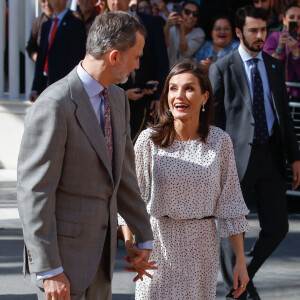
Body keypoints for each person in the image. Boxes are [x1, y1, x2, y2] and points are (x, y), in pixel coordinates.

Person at [17, 11, 155, 300]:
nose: (139, 64)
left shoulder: (117, 99)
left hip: (102, 264)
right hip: (62, 267)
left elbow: (124, 176)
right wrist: (49, 269)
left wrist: (144, 235)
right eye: (137, 56)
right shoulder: (54, 105)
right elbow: (35, 194)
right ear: (114, 56)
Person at [119, 59, 250, 300]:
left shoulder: (220, 142)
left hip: (202, 248)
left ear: (205, 97)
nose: (180, 95)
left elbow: (232, 205)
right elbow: (128, 198)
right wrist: (130, 244)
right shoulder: (149, 141)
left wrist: (240, 261)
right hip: (158, 245)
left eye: (189, 88)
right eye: (173, 88)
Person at [209, 5, 300, 300]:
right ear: (239, 32)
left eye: (263, 30)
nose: (260, 36)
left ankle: (242, 276)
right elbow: (214, 120)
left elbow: (284, 116)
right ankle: (239, 291)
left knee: (278, 227)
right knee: (228, 229)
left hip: (271, 158)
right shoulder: (222, 67)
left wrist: (295, 157)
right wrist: (214, 161)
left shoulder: (273, 66)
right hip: (234, 160)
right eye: (253, 30)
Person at [106, 0, 169, 142]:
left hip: (147, 101)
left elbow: (162, 61)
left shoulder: (151, 22)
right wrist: (121, 94)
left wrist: (160, 96)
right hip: (115, 101)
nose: (116, 2)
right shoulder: (101, 26)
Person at [29, 0, 86, 102]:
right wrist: (35, 88)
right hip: (46, 84)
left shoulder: (75, 23)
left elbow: (77, 58)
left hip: (65, 87)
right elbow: (42, 58)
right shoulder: (46, 25)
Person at [263, 2, 300, 100]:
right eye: (291, 17)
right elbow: (265, 67)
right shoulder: (274, 38)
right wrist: (279, 48)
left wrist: (296, 53)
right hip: (275, 95)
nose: (296, 21)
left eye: (299, 18)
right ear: (284, 20)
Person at [164, 1, 205, 67]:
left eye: (195, 13)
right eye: (187, 12)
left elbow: (184, 52)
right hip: (165, 69)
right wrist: (168, 25)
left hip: (183, 72)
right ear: (181, 12)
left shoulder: (199, 33)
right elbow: (163, 45)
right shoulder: (171, 28)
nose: (191, 16)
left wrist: (182, 29)